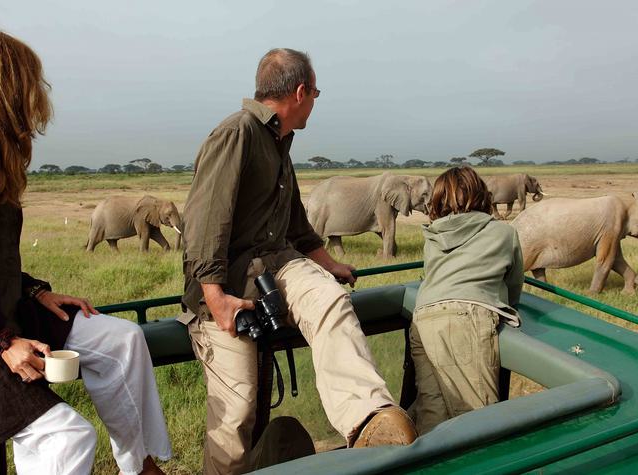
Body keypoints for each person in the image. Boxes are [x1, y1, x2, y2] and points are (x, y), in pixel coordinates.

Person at [0, 28, 172, 474]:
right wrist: (4, 342)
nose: (37, 95)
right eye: (28, 82)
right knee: (68, 439)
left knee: (124, 341)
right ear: (0, 85)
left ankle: (141, 467)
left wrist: (33, 292)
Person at [181, 48, 417, 474]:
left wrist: (329, 264)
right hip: (230, 283)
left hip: (278, 265)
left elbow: (297, 227)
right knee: (236, 414)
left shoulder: (280, 145)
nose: (314, 103)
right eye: (316, 94)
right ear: (301, 91)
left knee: (330, 301)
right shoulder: (237, 133)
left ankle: (367, 418)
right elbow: (204, 220)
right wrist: (214, 299)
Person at [409, 166, 524, 435]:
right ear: (482, 195)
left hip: (423, 318)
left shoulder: (432, 235)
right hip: (466, 319)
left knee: (432, 409)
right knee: (477, 416)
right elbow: (514, 284)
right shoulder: (504, 233)